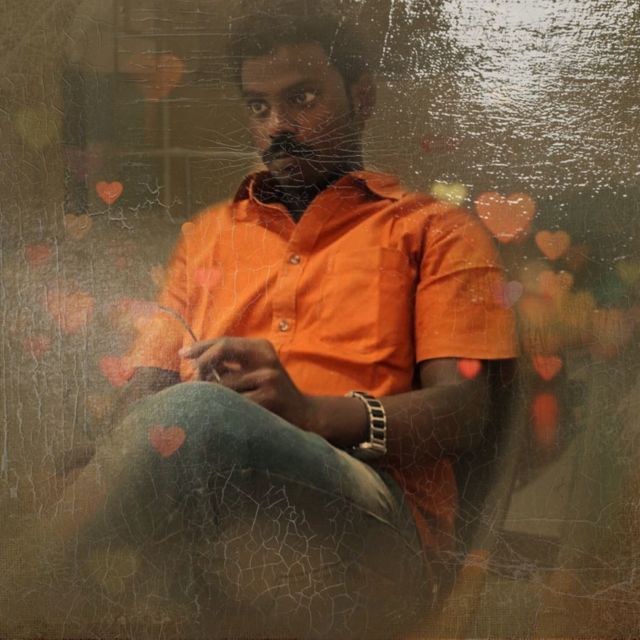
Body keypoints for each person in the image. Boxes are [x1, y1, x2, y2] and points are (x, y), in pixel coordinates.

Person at [39, 2, 518, 638]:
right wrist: (104, 461)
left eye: (303, 98)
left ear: (363, 99)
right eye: (259, 106)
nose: (278, 126)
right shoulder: (207, 235)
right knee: (84, 465)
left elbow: (464, 411)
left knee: (197, 414)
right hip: (213, 508)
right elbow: (148, 384)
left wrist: (310, 413)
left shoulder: (438, 232)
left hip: (377, 524)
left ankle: (23, 591)